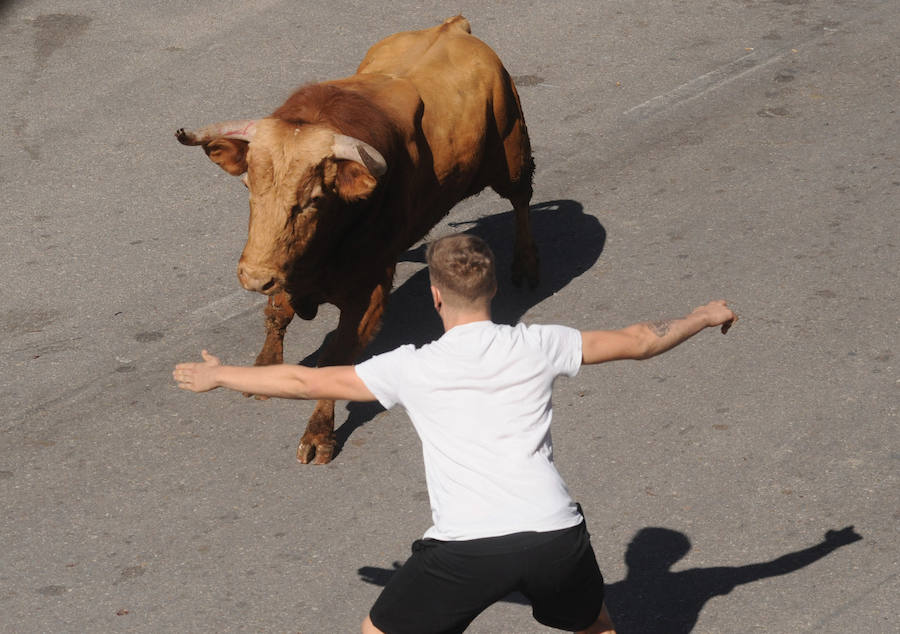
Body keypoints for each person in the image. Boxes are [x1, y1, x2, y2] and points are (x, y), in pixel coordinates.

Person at [173, 233, 736, 634]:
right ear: (491, 289)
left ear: (435, 295)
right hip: (555, 537)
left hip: (467, 547)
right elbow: (641, 338)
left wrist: (219, 374)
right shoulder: (540, 344)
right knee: (595, 626)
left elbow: (303, 379)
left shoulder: (411, 367)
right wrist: (704, 315)